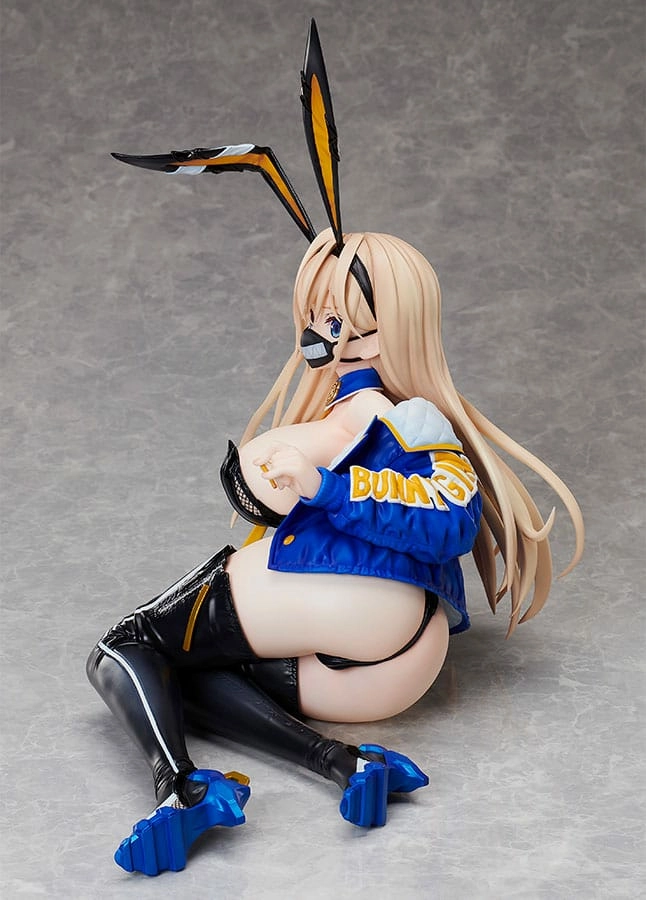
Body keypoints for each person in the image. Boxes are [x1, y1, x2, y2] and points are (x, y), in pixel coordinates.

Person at [87, 228, 583, 875]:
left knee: (124, 644)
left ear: (388, 325)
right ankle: (347, 763)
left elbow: (450, 519)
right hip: (399, 664)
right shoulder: (369, 410)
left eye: (338, 315)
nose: (320, 330)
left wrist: (327, 488)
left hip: (359, 598)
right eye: (316, 313)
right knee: (178, 671)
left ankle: (180, 787)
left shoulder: (389, 414)